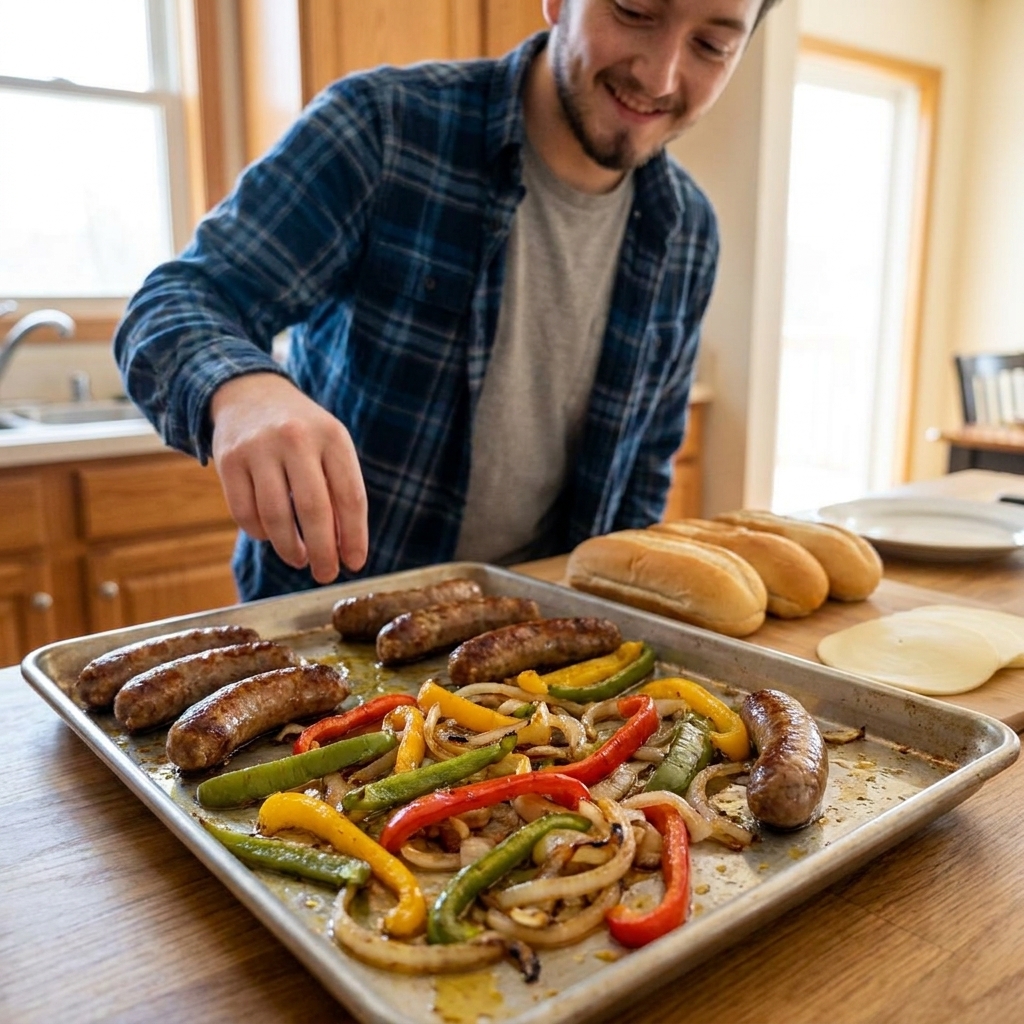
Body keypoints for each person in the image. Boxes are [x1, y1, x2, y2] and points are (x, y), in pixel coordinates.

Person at [116, 0, 781, 601]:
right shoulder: (385, 126)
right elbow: (177, 299)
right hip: (330, 620)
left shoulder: (688, 231)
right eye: (634, 12)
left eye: (711, 46)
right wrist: (246, 392)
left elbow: (644, 468)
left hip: (540, 639)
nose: (660, 76)